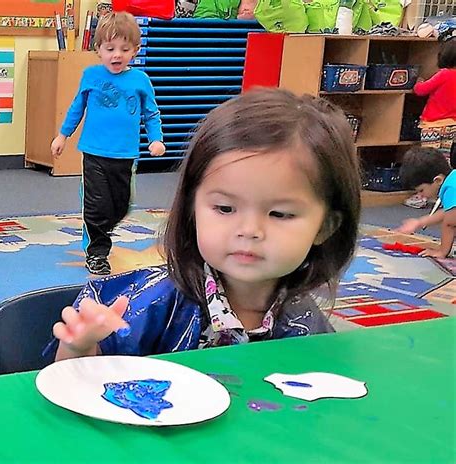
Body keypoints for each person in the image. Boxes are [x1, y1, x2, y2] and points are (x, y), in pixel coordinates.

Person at [46, 89, 362, 363]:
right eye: (225, 208)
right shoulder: (148, 303)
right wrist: (79, 346)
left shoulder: (305, 319)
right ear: (192, 208)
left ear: (325, 227)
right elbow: (71, 386)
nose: (250, 230)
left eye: (279, 214)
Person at [51, 11, 166, 275]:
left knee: (121, 206)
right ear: (99, 50)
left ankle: (99, 229)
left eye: (124, 49)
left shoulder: (140, 80)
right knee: (96, 205)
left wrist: (156, 139)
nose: (116, 55)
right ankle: (96, 252)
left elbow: (151, 113)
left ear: (135, 51)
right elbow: (76, 108)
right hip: (93, 153)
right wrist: (62, 136)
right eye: (110, 48)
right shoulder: (91, 76)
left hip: (125, 155)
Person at [404, 37, 456, 209]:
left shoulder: (444, 74)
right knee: (444, 161)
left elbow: (421, 90)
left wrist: (419, 82)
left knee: (427, 162)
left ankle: (422, 197)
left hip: (433, 125)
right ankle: (444, 196)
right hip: (452, 125)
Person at [397, 147, 456, 258]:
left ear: (437, 180)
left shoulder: (451, 188)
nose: (421, 195)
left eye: (422, 190)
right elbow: (448, 212)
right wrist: (420, 222)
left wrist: (442, 251)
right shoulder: (453, 179)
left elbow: (450, 223)